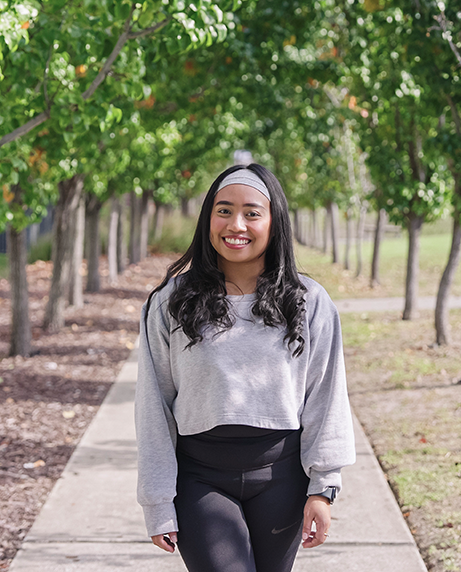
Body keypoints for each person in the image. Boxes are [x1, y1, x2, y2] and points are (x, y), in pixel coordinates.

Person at [135, 163, 356, 572]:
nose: (236, 224)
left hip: (282, 480)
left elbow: (325, 396)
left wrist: (323, 488)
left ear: (274, 222)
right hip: (200, 479)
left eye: (252, 212)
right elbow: (154, 405)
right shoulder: (171, 302)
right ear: (208, 219)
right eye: (224, 210)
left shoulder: (309, 302)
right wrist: (158, 499)